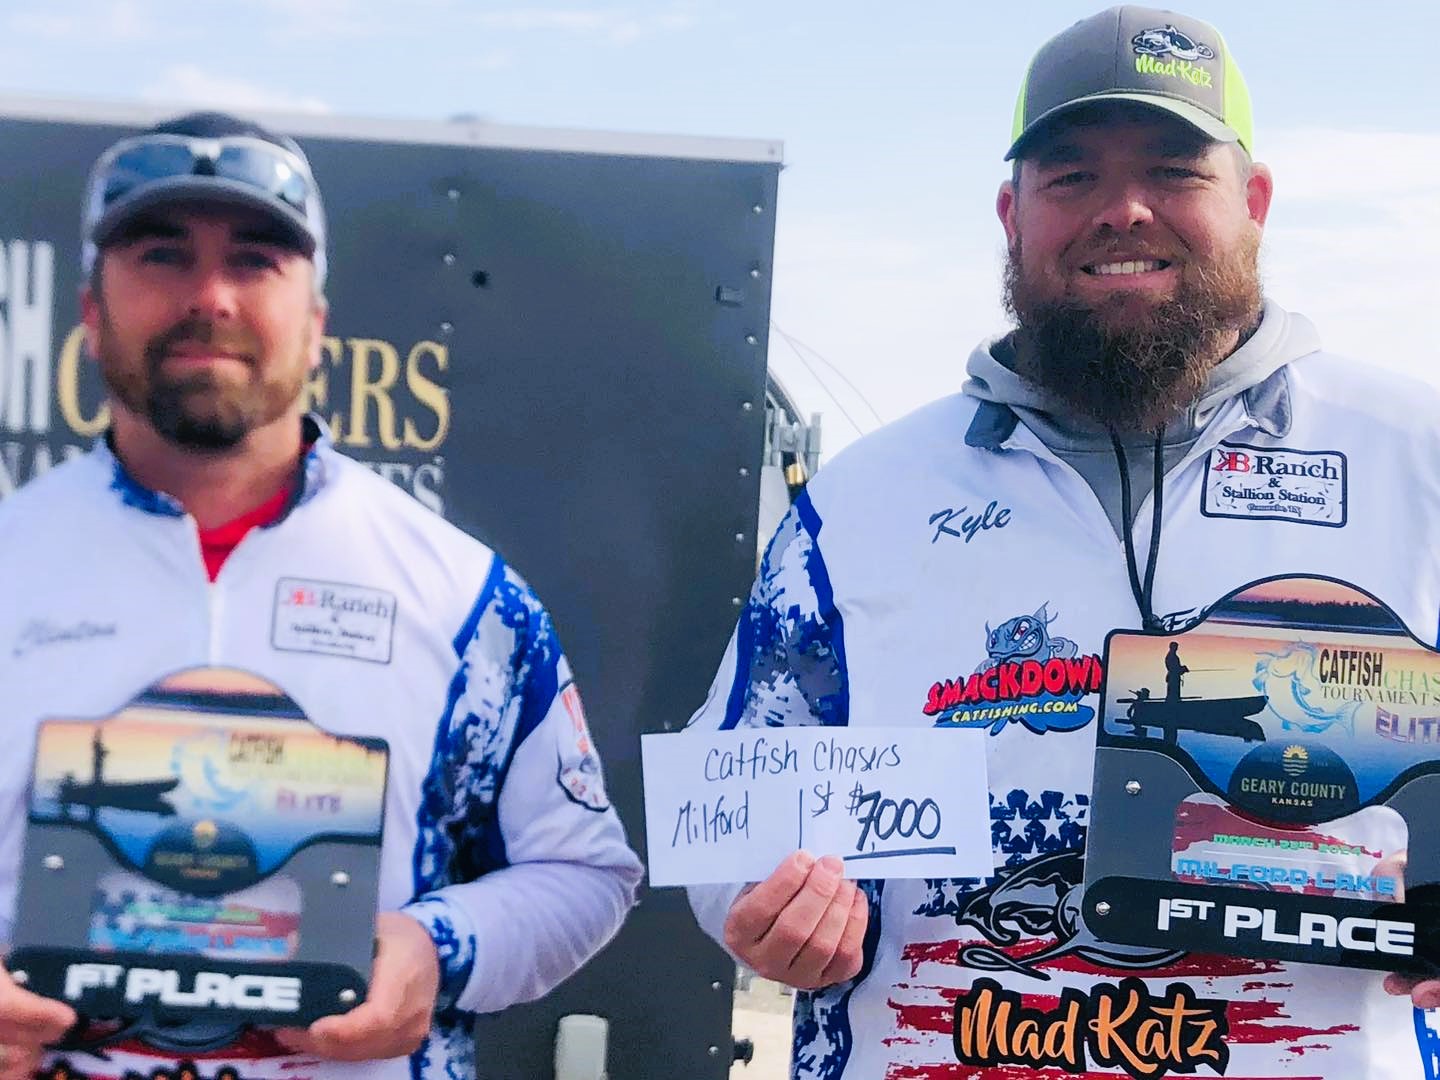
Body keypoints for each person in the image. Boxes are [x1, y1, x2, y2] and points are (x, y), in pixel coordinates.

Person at [687, 6, 1440, 1077]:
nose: (1122, 211)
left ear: (1256, 203)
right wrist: (765, 906)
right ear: (1012, 213)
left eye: (1175, 171)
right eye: (1071, 177)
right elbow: (734, 800)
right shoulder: (865, 498)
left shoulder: (1416, 458)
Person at [0, 111, 642, 1080]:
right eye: (162, 255)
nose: (209, 295)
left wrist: (438, 945)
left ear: (319, 323)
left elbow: (588, 872)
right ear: (90, 310)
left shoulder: (465, 599)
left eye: (255, 260)